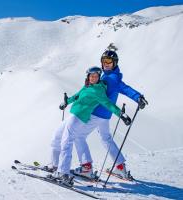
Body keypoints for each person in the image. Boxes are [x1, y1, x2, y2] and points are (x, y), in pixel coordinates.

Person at [49, 66, 132, 186]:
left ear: (99, 77)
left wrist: (121, 114)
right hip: (73, 115)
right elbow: (77, 95)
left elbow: (108, 104)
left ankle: (63, 173)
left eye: (96, 76)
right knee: (57, 136)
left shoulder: (98, 91)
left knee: (66, 141)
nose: (93, 78)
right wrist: (67, 102)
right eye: (91, 76)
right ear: (88, 77)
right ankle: (54, 165)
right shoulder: (87, 86)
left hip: (79, 117)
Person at [73, 50, 148, 179]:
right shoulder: (109, 75)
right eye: (104, 61)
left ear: (114, 63)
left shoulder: (111, 78)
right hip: (105, 115)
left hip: (98, 113)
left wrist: (137, 97)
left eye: (109, 61)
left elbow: (125, 89)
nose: (106, 64)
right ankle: (120, 167)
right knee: (106, 138)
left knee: (78, 135)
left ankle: (86, 168)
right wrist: (138, 97)